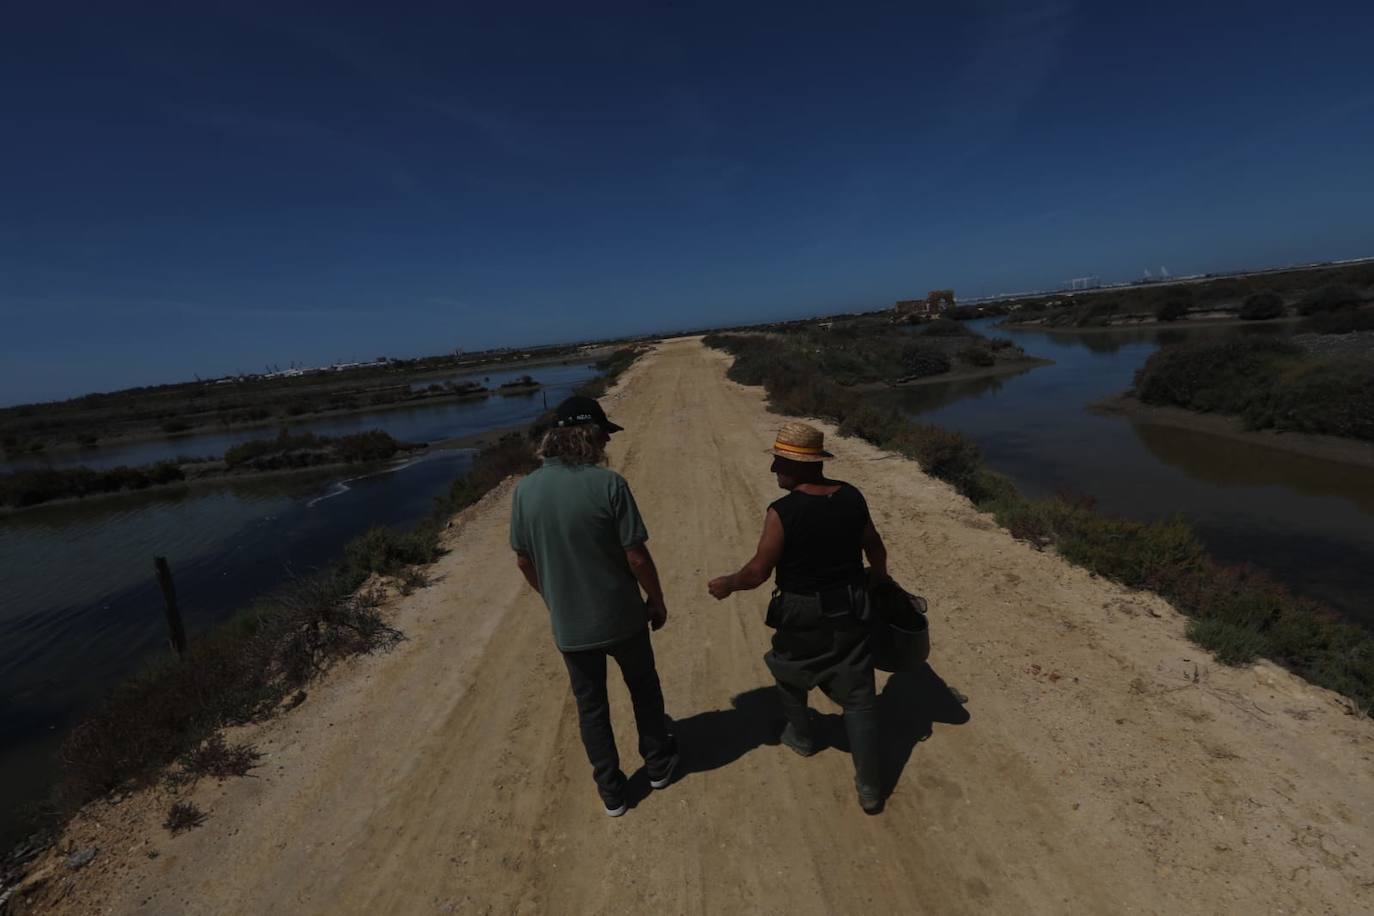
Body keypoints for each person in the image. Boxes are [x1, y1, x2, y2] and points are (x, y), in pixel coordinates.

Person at [707, 421, 890, 813]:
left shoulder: (782, 512)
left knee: (787, 667)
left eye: (780, 462)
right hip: (852, 603)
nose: (775, 470)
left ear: (805, 466)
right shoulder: (852, 496)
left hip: (802, 608)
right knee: (858, 692)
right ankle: (870, 788)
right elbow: (875, 549)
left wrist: (727, 583)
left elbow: (757, 573)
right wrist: (877, 585)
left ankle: (803, 737)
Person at [510, 395, 678, 817]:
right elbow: (636, 556)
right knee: (643, 689)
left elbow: (524, 560)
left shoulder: (525, 491)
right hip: (623, 617)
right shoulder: (609, 485)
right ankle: (657, 765)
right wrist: (656, 600)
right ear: (588, 436)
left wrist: (553, 598)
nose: (606, 440)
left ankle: (612, 791)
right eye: (604, 432)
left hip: (571, 625)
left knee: (591, 707)